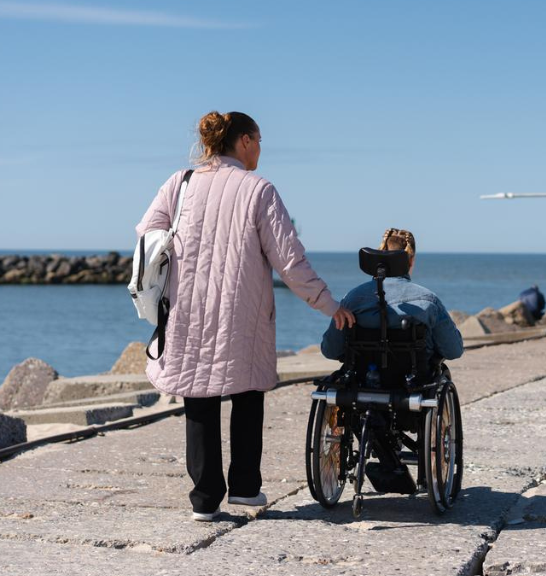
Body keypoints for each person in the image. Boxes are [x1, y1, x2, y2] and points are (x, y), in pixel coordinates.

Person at [135, 111, 355, 522]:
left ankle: (204, 500)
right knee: (248, 393)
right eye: (259, 141)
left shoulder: (180, 182)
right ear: (245, 141)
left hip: (187, 312)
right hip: (242, 313)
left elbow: (147, 233)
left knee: (198, 399)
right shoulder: (259, 190)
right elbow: (290, 261)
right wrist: (329, 304)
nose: (260, 150)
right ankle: (245, 488)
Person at [320, 228, 462, 493]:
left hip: (363, 382)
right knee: (440, 373)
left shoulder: (353, 298)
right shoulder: (427, 300)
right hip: (411, 385)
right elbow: (453, 350)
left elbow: (330, 349)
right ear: (411, 260)